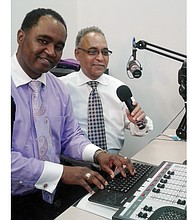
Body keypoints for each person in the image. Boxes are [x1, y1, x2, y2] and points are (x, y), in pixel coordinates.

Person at [11, 9, 135, 220]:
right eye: (43, 40)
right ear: (21, 36)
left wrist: (99, 155)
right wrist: (62, 173)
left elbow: (71, 136)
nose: (51, 52)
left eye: (58, 47)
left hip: (50, 194)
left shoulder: (57, 88)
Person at [61, 26, 153, 154]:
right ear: (77, 54)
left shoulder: (119, 89)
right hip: (75, 163)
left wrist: (140, 121)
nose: (100, 58)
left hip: (113, 162)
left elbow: (139, 129)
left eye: (104, 52)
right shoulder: (61, 88)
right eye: (93, 52)